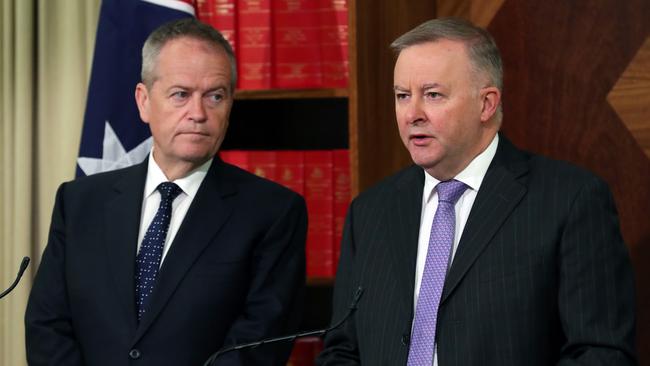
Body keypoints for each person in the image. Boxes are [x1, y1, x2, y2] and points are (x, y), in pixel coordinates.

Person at [316, 17, 636, 366]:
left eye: (433, 95)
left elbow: (601, 353)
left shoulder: (569, 200)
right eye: (403, 96)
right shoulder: (370, 212)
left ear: (486, 104)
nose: (412, 114)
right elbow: (341, 350)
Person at [25, 18, 307, 366]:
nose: (198, 113)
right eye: (181, 95)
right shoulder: (79, 203)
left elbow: (258, 343)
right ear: (144, 101)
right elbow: (47, 326)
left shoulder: (273, 212)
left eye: (215, 96)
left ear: (231, 104)